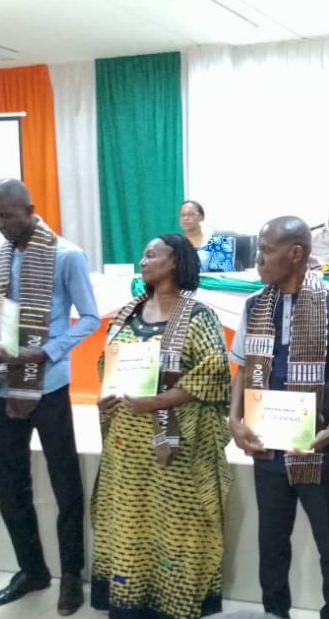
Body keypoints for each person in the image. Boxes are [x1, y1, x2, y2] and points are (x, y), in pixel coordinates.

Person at [0, 179, 99, 615]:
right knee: (9, 483)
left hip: (48, 384)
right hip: (0, 381)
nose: (0, 224)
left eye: (7, 215)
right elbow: (4, 312)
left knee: (64, 483)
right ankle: (30, 570)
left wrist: (48, 351)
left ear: (30, 210)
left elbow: (90, 318)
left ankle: (70, 575)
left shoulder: (67, 255)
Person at [228, 216, 329, 619]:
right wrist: (234, 420)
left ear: (295, 254)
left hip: (318, 447)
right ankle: (275, 613)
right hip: (267, 448)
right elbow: (242, 368)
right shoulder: (255, 305)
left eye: (266, 251)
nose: (258, 260)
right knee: (272, 543)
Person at [91, 234, 232, 619]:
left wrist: (157, 402)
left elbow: (215, 373)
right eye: (143, 254)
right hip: (127, 450)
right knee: (130, 524)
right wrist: (107, 395)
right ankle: (130, 601)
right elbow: (109, 364)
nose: (143, 260)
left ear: (174, 262)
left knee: (176, 527)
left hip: (176, 449)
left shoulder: (199, 315)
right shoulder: (128, 312)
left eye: (151, 254)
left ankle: (175, 603)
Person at [179, 199, 234, 272]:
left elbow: (222, 274)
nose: (186, 218)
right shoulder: (175, 244)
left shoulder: (218, 242)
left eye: (190, 214)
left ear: (202, 217)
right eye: (183, 215)